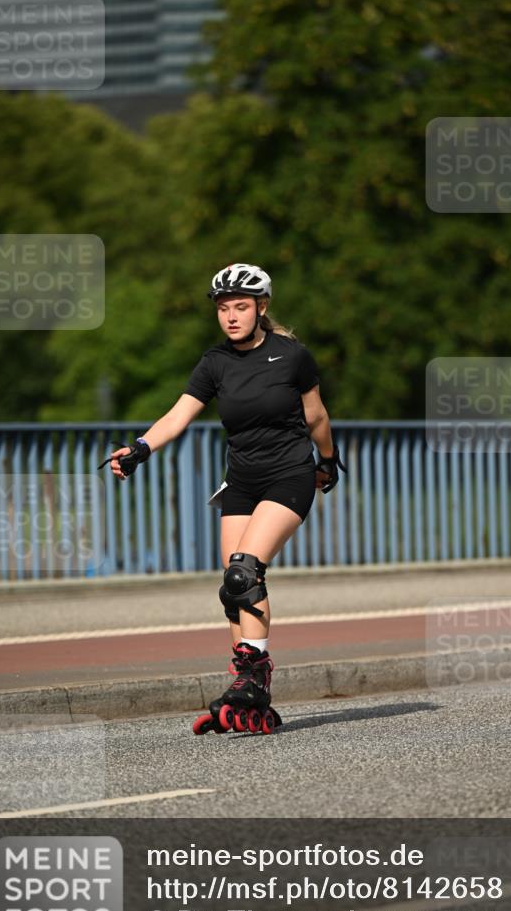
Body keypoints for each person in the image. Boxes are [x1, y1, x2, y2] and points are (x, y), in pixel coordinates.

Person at [100, 263, 345, 735]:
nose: (231, 317)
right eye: (223, 309)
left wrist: (328, 461)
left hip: (290, 474)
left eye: (241, 307)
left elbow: (316, 417)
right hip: (242, 482)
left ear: (261, 308)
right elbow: (178, 415)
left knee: (244, 570)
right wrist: (140, 448)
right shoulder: (215, 363)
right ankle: (245, 687)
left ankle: (254, 677)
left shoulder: (292, 356)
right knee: (232, 590)